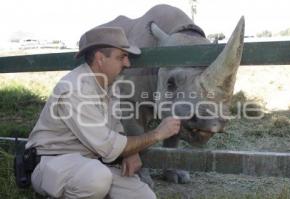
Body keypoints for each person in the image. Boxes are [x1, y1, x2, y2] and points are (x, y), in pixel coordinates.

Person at [25, 26, 181, 199]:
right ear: (100, 59)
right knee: (97, 179)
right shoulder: (75, 90)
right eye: (122, 57)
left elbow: (115, 128)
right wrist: (158, 134)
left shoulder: (108, 86)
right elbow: (110, 147)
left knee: (143, 196)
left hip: (91, 163)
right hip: (54, 163)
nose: (127, 63)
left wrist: (129, 151)